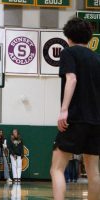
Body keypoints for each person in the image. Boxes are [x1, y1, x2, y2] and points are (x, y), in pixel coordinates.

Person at [51, 17, 100, 200]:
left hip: (76, 118)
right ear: (89, 38)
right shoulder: (97, 58)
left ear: (68, 37)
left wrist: (64, 110)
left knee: (56, 168)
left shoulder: (69, 53)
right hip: (96, 121)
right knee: (93, 171)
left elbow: (71, 79)